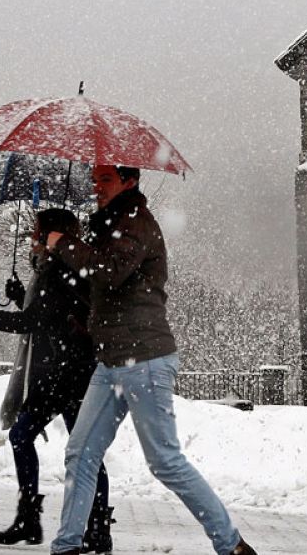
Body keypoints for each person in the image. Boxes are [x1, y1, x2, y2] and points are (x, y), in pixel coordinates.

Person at [43, 164, 257, 555]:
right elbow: (100, 288)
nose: (97, 187)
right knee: (81, 452)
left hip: (144, 359)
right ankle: (67, 546)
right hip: (112, 362)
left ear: (129, 180)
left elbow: (108, 272)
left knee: (164, 461)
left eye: (105, 179)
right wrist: (49, 260)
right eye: (94, 180)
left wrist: (63, 244)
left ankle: (233, 547)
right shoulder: (109, 226)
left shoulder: (136, 222)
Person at [0, 207, 115, 551]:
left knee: (46, 442)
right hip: (69, 372)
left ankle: (39, 520)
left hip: (64, 375)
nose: (32, 238)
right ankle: (88, 527)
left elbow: (29, 323)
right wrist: (23, 295)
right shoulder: (62, 270)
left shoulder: (58, 273)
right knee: (78, 450)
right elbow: (49, 316)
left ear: (52, 236)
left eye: (37, 232)